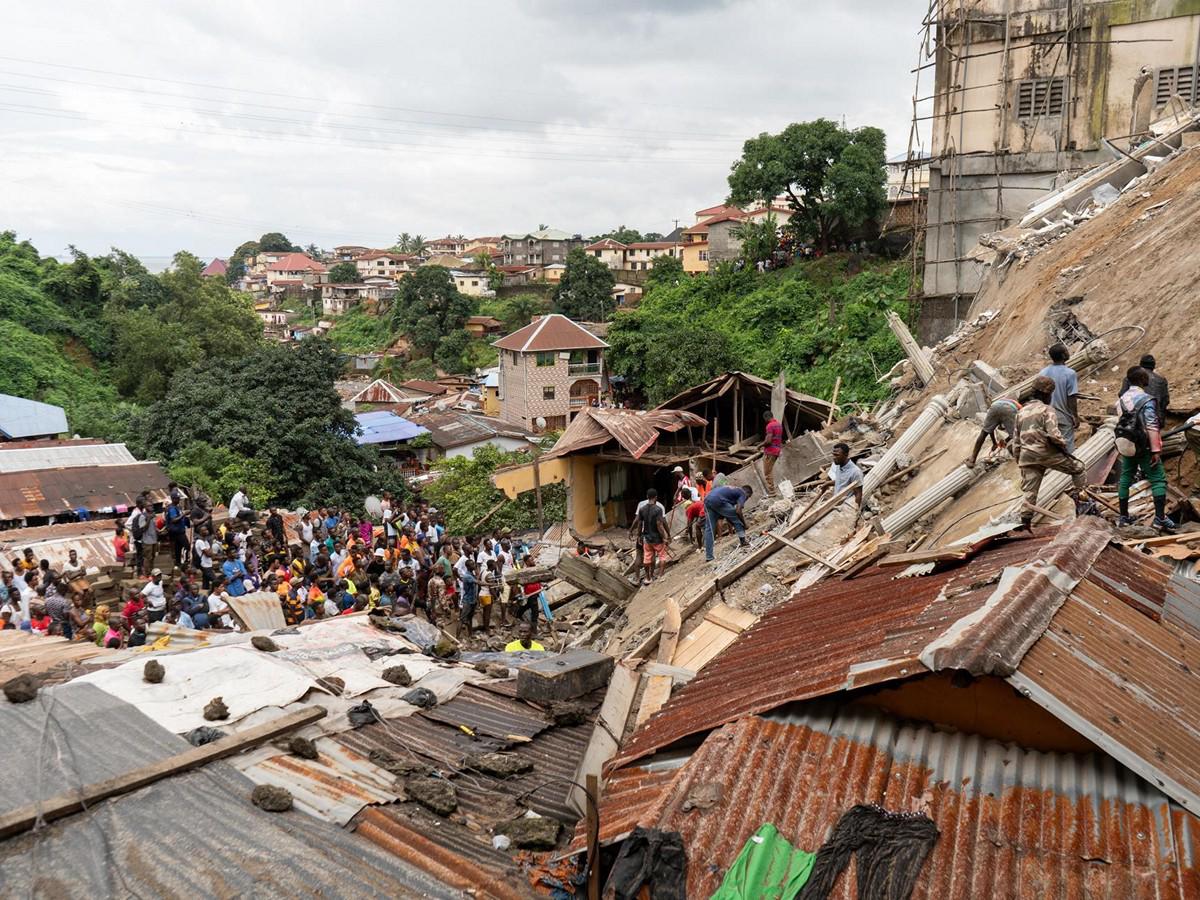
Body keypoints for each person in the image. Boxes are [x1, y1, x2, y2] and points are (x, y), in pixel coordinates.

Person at [1013, 375, 1086, 530]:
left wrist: (1020, 460)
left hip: (1027, 456)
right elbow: (1054, 435)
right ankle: (1083, 504)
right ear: (1046, 394)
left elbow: (1016, 441)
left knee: (1029, 493)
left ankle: (1024, 525)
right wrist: (1064, 448)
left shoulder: (1021, 412)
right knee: (1078, 468)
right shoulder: (1047, 409)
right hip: (1046, 453)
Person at [1115, 366, 1175, 531]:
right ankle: (1160, 518)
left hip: (1127, 445)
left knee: (1126, 477)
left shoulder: (1121, 400)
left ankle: (1124, 517)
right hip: (1145, 446)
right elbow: (1151, 425)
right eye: (1145, 377)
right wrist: (1156, 449)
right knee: (1158, 479)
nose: (1148, 378)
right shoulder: (1147, 399)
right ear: (1142, 380)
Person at [1039, 343, 1080, 453]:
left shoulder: (1043, 373)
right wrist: (1075, 416)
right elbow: (1071, 397)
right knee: (1067, 444)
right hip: (1063, 415)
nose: (1068, 352)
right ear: (1063, 356)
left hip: (1047, 415)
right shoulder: (1070, 373)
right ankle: (1070, 468)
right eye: (1066, 351)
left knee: (1051, 445)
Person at [702, 484, 753, 562]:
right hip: (718, 499)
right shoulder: (742, 493)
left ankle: (709, 556)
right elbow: (738, 511)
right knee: (737, 520)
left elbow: (728, 517)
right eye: (748, 497)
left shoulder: (732, 491)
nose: (746, 500)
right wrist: (744, 524)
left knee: (710, 529)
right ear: (747, 493)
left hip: (707, 499)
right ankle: (743, 542)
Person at [966, 397, 1021, 467]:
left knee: (984, 432)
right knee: (1017, 435)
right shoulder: (1020, 408)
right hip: (1008, 409)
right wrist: (1007, 440)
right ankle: (1020, 456)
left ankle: (972, 459)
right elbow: (1016, 431)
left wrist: (995, 443)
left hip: (994, 407)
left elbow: (989, 430)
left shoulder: (1004, 400)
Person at [631, 488, 670, 584]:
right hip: (657, 538)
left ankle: (648, 578)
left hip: (647, 538)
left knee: (647, 558)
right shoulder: (658, 509)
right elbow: (660, 524)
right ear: (656, 497)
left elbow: (639, 524)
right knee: (662, 556)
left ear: (647, 497)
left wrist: (639, 536)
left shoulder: (642, 509)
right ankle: (660, 576)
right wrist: (665, 536)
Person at [828, 443, 864, 511]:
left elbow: (858, 493)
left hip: (845, 509)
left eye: (837, 455)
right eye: (833, 454)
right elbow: (842, 481)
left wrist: (855, 512)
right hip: (835, 505)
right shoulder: (838, 465)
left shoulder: (855, 472)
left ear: (846, 455)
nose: (834, 457)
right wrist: (827, 483)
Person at [762, 410, 784, 495]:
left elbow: (768, 441)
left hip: (770, 451)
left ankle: (772, 492)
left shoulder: (769, 426)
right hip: (777, 450)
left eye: (764, 419)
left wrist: (760, 446)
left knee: (767, 472)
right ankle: (772, 491)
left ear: (766, 417)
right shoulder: (778, 425)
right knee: (770, 471)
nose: (765, 421)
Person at [165, 498, 190, 569]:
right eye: (178, 498)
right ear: (174, 499)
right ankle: (185, 562)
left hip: (179, 530)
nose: (179, 500)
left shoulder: (177, 507)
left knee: (178, 548)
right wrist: (183, 514)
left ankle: (178, 563)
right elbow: (174, 520)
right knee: (186, 546)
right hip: (177, 532)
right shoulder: (172, 509)